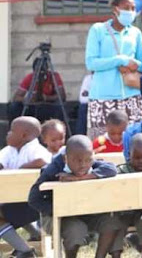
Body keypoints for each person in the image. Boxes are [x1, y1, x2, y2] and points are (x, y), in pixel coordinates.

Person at [28, 135, 122, 258]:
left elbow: (111, 169)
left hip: (87, 212)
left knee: (112, 223)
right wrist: (59, 209)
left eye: (88, 160)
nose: (83, 164)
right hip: (59, 217)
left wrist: (79, 178)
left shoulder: (91, 164)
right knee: (76, 229)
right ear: (65, 159)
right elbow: (34, 198)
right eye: (77, 160)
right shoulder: (53, 170)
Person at [85, 0, 142, 138]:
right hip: (102, 98)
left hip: (131, 96)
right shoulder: (98, 30)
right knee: (100, 143)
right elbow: (91, 63)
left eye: (133, 8)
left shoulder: (135, 33)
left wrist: (135, 64)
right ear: (115, 9)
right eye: (127, 8)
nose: (131, 12)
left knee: (134, 142)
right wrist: (120, 60)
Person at [0, 117, 52, 258]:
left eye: (11, 131)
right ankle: (36, 235)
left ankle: (25, 251)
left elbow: (44, 161)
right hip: (14, 201)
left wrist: (20, 169)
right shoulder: (9, 150)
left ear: (23, 136)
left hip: (33, 204)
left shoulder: (35, 149)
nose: (8, 134)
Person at [109, 133, 142, 258]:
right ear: (129, 155)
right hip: (125, 212)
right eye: (136, 157)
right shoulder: (121, 172)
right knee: (114, 222)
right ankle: (116, 255)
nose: (140, 162)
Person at [8, 58, 66, 124]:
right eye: (38, 71)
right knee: (14, 106)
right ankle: (16, 131)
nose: (40, 74)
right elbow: (16, 97)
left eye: (43, 71)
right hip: (33, 106)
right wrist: (27, 99)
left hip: (48, 105)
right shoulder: (30, 77)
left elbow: (62, 96)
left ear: (47, 70)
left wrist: (46, 97)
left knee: (59, 108)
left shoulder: (54, 76)